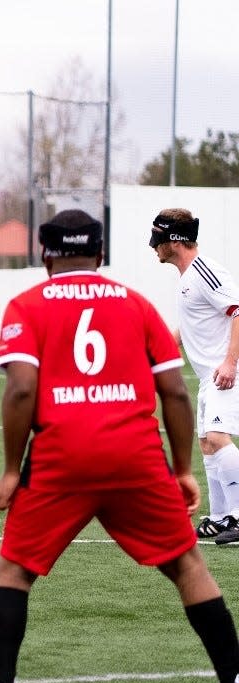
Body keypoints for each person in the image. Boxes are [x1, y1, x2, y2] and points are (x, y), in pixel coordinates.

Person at [0, 209, 239, 683]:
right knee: (188, 567)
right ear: (101, 255)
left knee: (15, 571)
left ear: (45, 256)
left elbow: (20, 389)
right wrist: (181, 470)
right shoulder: (137, 304)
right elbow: (173, 392)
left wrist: (11, 471)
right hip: (136, 456)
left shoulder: (27, 304)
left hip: (61, 459)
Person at [151, 209, 239, 546]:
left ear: (173, 240)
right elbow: (191, 326)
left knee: (217, 438)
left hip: (225, 372)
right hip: (208, 376)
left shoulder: (205, 272)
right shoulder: (188, 277)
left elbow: (237, 311)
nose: (153, 246)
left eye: (157, 237)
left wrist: (230, 363)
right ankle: (220, 518)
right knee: (206, 443)